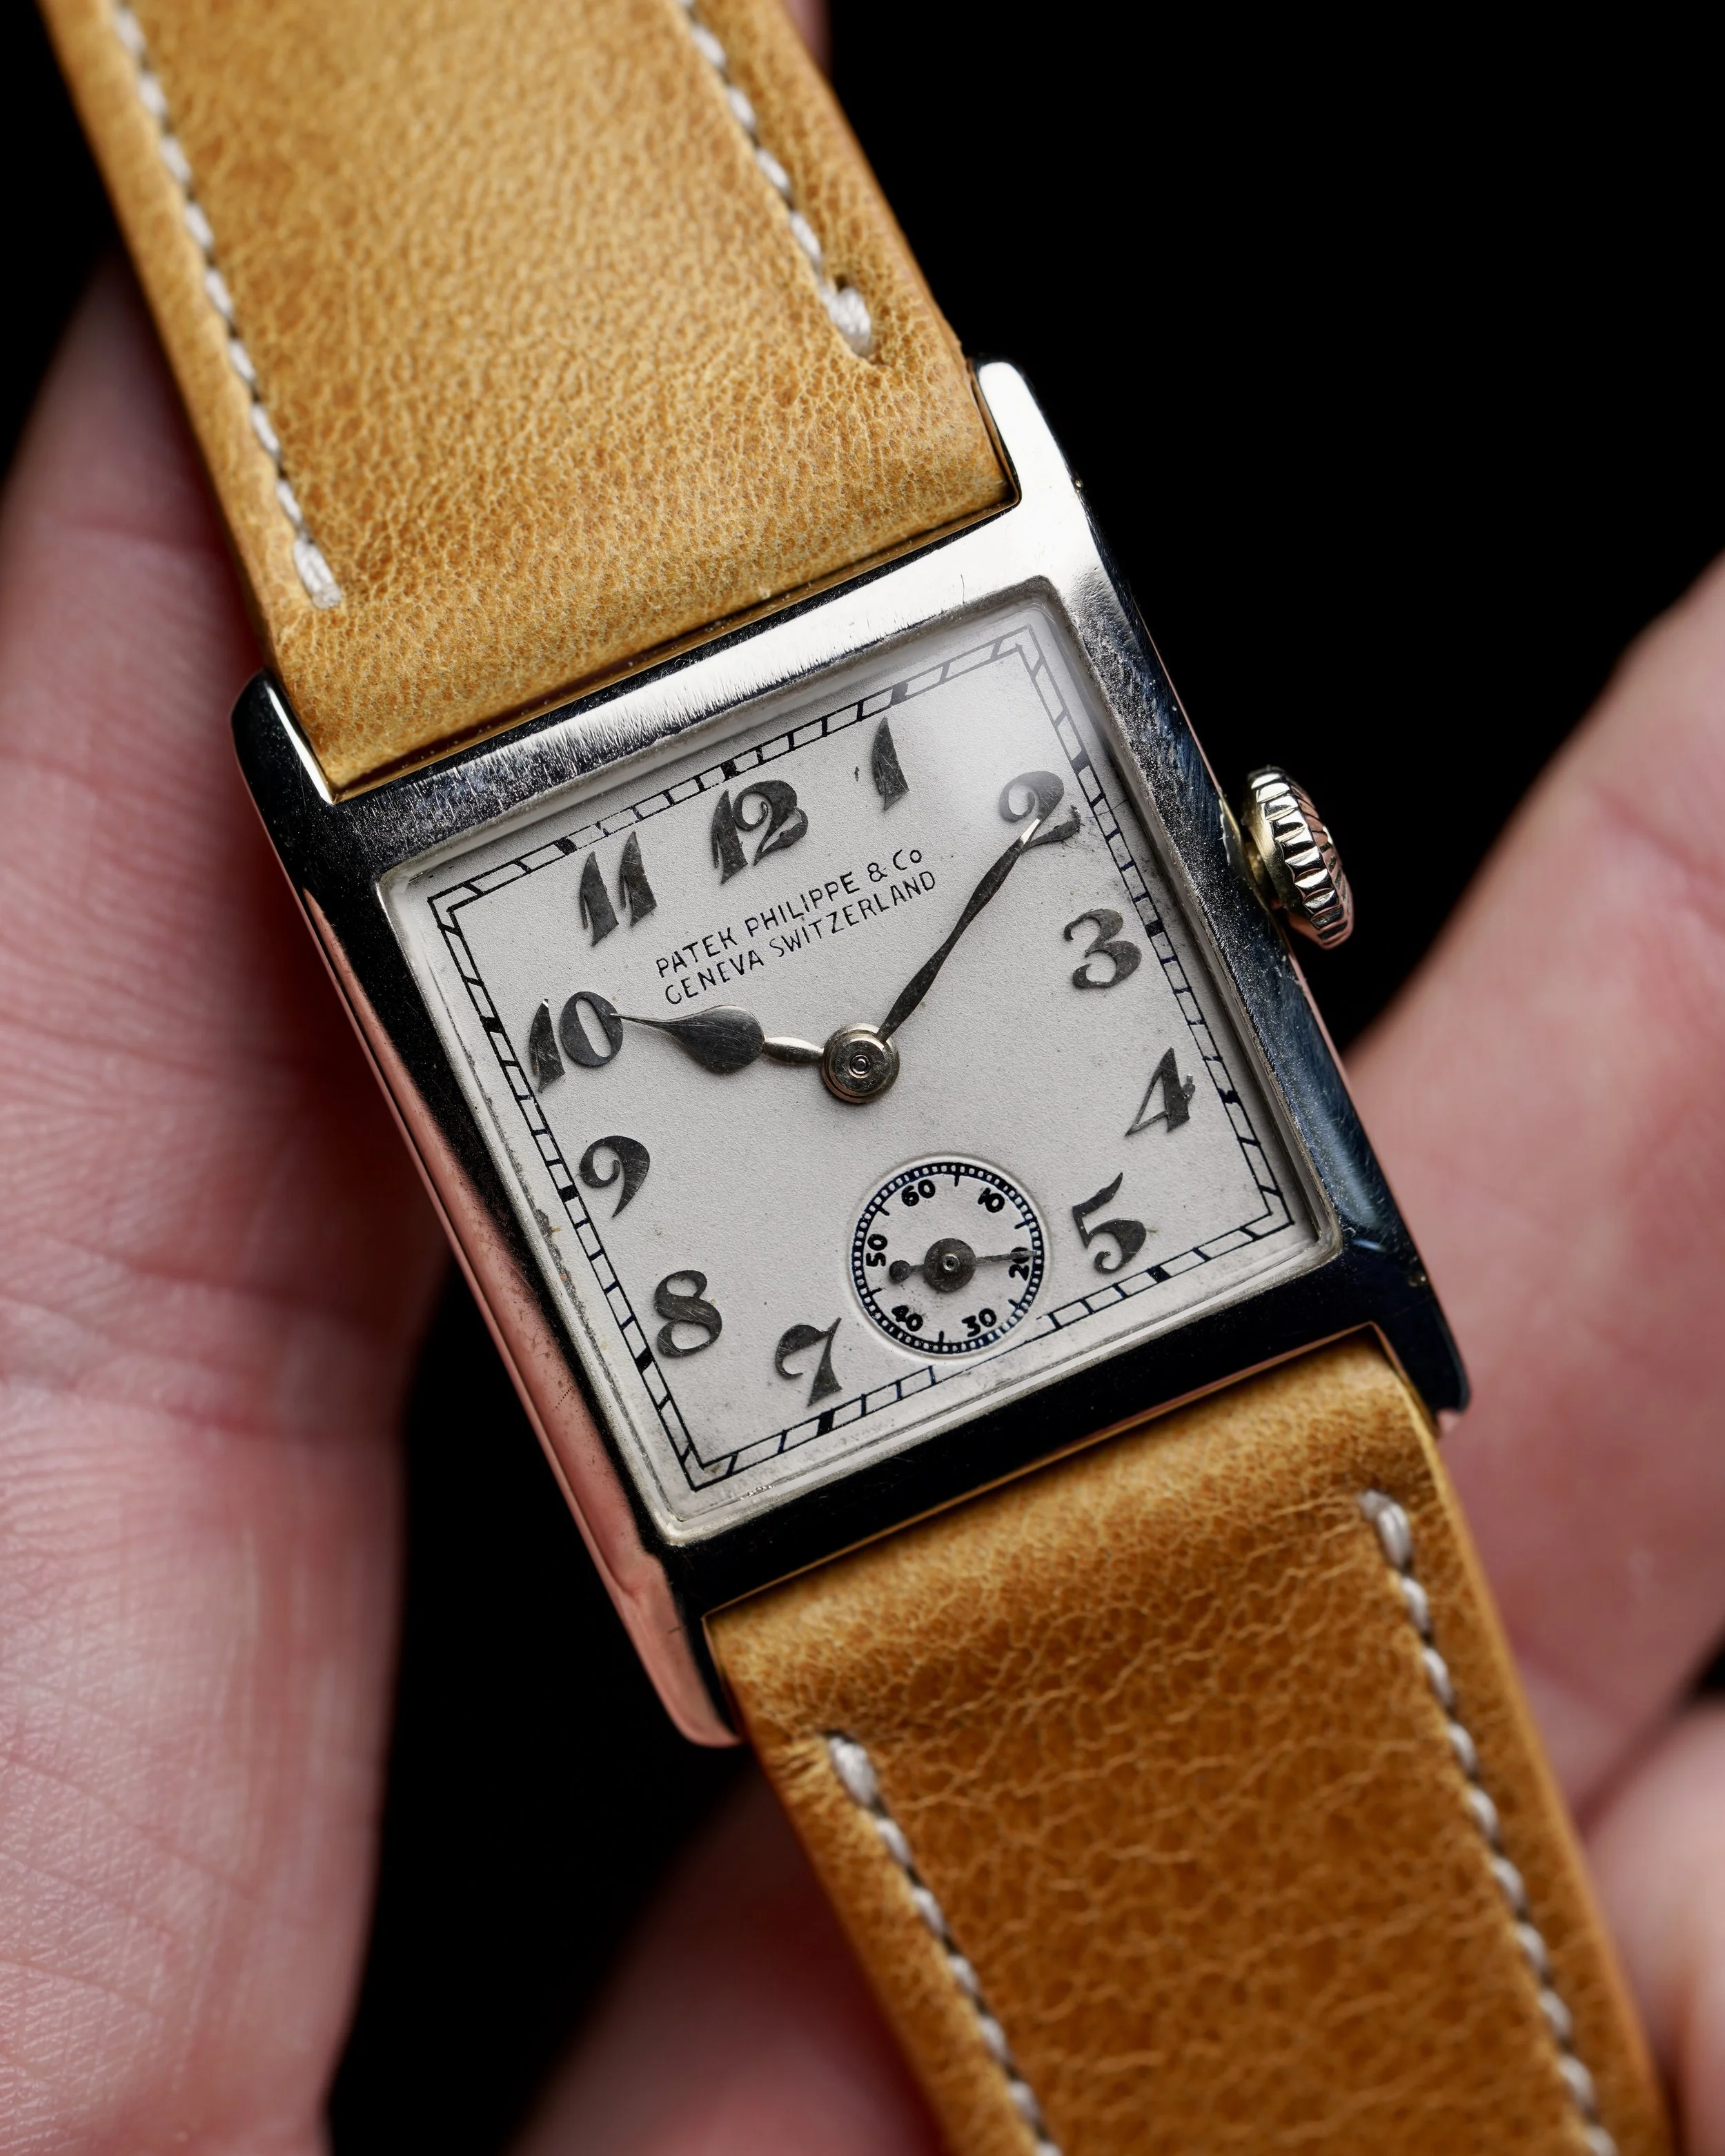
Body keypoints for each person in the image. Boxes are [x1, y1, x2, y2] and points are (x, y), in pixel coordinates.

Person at [2, 34, 1723, 2156]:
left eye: (851, 1052)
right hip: (909, 1526)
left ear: (1260, 859)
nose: (855, 1062)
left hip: (1206, 1396)